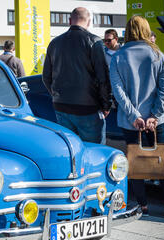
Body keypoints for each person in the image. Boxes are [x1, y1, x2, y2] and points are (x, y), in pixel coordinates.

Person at [109, 15, 164, 217]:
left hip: (130, 122)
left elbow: (118, 91)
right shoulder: (158, 55)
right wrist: (154, 114)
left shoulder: (118, 56)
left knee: (134, 161)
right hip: (156, 121)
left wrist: (134, 115)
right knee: (162, 160)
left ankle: (142, 204)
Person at [42, 7, 112, 145]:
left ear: (69, 21)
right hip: (88, 107)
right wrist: (106, 105)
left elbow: (46, 77)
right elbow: (103, 77)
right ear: (89, 22)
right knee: (94, 151)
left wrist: (56, 95)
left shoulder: (54, 43)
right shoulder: (94, 41)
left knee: (70, 149)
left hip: (62, 106)